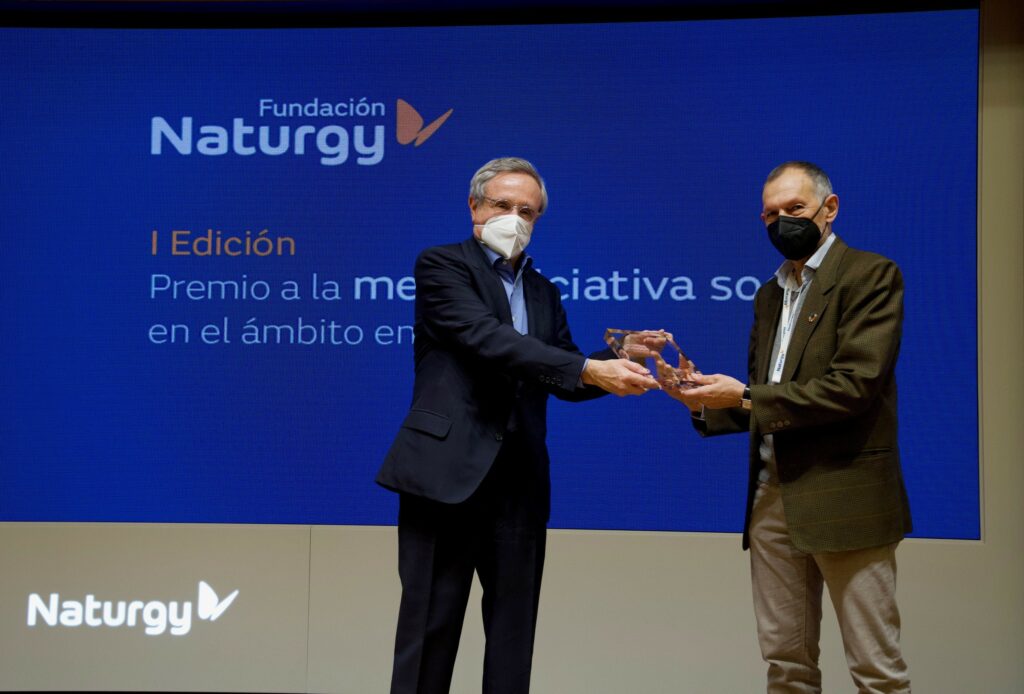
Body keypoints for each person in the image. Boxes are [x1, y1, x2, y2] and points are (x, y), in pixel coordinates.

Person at [376, 157, 660, 694]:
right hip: (445, 475)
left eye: (526, 211)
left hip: (519, 483)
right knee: (428, 632)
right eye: (502, 205)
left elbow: (564, 376)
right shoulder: (442, 265)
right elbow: (486, 338)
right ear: (474, 207)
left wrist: (617, 356)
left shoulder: (543, 292)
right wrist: (586, 367)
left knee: (513, 638)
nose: (514, 217)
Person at [668, 161, 913, 693]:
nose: (783, 222)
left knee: (876, 671)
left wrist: (745, 394)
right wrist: (701, 400)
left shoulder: (870, 275)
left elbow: (853, 387)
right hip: (771, 497)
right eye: (771, 214)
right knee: (786, 667)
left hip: (845, 495)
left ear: (830, 208)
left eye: (795, 209)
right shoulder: (768, 294)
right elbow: (770, 396)